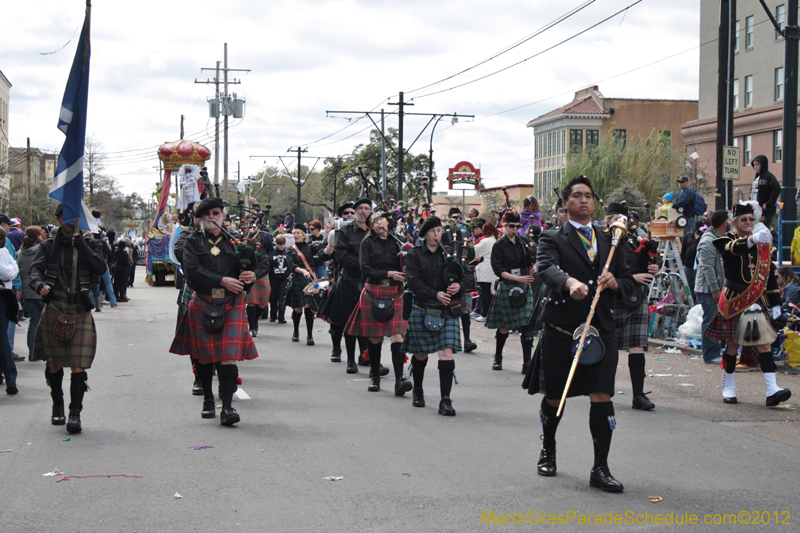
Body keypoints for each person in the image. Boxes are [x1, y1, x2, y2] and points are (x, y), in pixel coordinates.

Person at [526, 176, 634, 492]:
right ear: (566, 203)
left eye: (588, 196)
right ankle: (548, 448)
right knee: (555, 397)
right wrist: (569, 282)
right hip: (563, 331)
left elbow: (628, 280)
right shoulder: (552, 238)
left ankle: (600, 468)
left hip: (601, 331)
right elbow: (545, 269)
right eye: (577, 195)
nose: (584, 200)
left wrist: (615, 282)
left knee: (602, 396)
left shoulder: (610, 240)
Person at [170, 197, 268, 426]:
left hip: (231, 303)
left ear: (222, 215)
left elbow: (263, 263)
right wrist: (222, 280)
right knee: (204, 357)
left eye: (215, 213)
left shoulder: (236, 240)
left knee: (227, 356)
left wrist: (252, 275)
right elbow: (192, 270)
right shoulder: (192, 241)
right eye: (206, 214)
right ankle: (207, 399)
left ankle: (227, 407)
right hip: (204, 300)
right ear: (200, 218)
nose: (211, 217)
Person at [29, 204, 108, 432]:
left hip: (79, 307)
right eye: (64, 216)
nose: (68, 220)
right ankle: (58, 405)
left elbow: (101, 269)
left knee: (77, 365)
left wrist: (82, 246)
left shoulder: (91, 243)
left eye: (73, 216)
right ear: (58, 218)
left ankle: (75, 413)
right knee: (53, 365)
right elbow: (34, 271)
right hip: (54, 305)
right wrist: (38, 285)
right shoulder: (47, 246)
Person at [704, 203, 791, 407]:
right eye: (744, 220)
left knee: (765, 344)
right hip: (735, 299)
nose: (749, 223)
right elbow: (732, 251)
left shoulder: (763, 245)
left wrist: (776, 303)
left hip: (756, 301)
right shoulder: (727, 240)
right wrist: (752, 240)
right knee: (733, 345)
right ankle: (729, 387)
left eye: (751, 219)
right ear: (734, 223)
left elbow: (768, 275)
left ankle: (772, 390)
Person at [344, 212, 411, 394]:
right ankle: (374, 377)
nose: (378, 223)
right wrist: (389, 274)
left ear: (388, 222)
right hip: (374, 291)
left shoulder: (400, 241)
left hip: (396, 292)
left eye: (381, 219)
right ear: (371, 226)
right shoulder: (367, 243)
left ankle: (399, 380)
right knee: (375, 337)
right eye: (374, 221)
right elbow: (365, 269)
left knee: (397, 336)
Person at [401, 216, 463, 416]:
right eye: (433, 231)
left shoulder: (449, 255)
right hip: (423, 307)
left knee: (446, 353)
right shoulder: (415, 255)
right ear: (425, 234)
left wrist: (458, 285)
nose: (437, 235)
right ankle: (418, 390)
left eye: (439, 231)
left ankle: (445, 400)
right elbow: (413, 281)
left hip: (446, 310)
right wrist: (434, 293)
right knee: (421, 354)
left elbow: (467, 273)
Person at [606, 204, 660, 410]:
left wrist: (656, 265)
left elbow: (645, 260)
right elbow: (602, 269)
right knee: (610, 347)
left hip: (636, 297)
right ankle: (605, 390)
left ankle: (638, 395)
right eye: (616, 218)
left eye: (624, 219)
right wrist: (631, 277)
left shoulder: (632, 240)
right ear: (608, 220)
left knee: (637, 346)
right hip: (613, 296)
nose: (621, 222)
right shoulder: (601, 241)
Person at [318, 198, 372, 372]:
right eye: (360, 208)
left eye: (366, 208)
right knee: (346, 320)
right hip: (349, 280)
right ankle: (349, 359)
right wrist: (365, 266)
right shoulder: (344, 231)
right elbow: (341, 256)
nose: (363, 211)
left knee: (367, 321)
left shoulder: (375, 231)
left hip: (370, 281)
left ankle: (365, 354)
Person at [485, 212, 536, 373]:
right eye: (511, 226)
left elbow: (532, 262)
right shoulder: (498, 246)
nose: (515, 229)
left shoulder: (525, 243)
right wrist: (517, 278)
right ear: (505, 226)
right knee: (504, 327)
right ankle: (498, 357)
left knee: (526, 326)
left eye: (517, 226)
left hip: (524, 285)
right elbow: (499, 271)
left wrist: (534, 267)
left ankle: (527, 363)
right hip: (508, 284)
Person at [694, 210, 729, 365]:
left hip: (716, 289)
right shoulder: (708, 241)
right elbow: (707, 267)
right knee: (710, 321)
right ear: (724, 223)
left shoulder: (719, 238)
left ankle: (715, 351)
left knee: (715, 321)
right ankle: (710, 354)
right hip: (708, 291)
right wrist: (715, 289)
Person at [285, 227, 331, 344]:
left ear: (304, 235)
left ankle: (310, 336)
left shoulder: (309, 247)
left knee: (308, 307)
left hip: (309, 279)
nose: (296, 235)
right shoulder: (290, 249)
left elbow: (321, 248)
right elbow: (291, 265)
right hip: (298, 278)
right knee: (298, 308)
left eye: (298, 233)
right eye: (294, 233)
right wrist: (303, 271)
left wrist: (326, 234)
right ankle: (296, 332)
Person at [17, 226, 47, 362]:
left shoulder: (21, 253)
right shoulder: (41, 250)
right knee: (46, 322)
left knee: (34, 322)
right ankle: (45, 352)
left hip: (27, 290)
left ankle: (32, 353)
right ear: (38, 236)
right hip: (41, 289)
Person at [0, 227, 20, 394]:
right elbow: (5, 271)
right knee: (3, 340)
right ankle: (9, 376)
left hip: (4, 296)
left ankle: (9, 377)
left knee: (3, 338)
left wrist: (10, 272)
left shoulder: (5, 250)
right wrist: (10, 271)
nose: (3, 242)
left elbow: (12, 268)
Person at [474, 221, 499, 322]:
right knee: (487, 292)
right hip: (490, 270)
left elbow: (474, 250)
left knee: (484, 292)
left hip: (484, 269)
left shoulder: (485, 241)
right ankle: (487, 313)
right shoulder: (494, 239)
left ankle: (484, 314)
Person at [748, 155, 780, 228]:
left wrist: (768, 204)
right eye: (754, 165)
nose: (755, 167)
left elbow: (777, 188)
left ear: (763, 165)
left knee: (763, 229)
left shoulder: (768, 176)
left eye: (757, 165)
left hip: (765, 211)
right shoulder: (757, 178)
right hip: (755, 209)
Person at [268, 235, 292, 323]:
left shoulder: (287, 253)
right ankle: (273, 315)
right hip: (273, 278)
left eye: (282, 244)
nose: (281, 246)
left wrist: (289, 273)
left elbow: (290, 264)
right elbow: (269, 264)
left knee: (282, 297)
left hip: (284, 278)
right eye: (279, 244)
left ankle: (281, 316)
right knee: (273, 297)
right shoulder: (273, 253)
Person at [681, 222, 704, 293]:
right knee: (686, 287)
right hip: (687, 266)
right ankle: (687, 302)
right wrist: (683, 262)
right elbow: (683, 250)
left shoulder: (703, 237)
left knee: (697, 289)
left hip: (697, 268)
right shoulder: (688, 236)